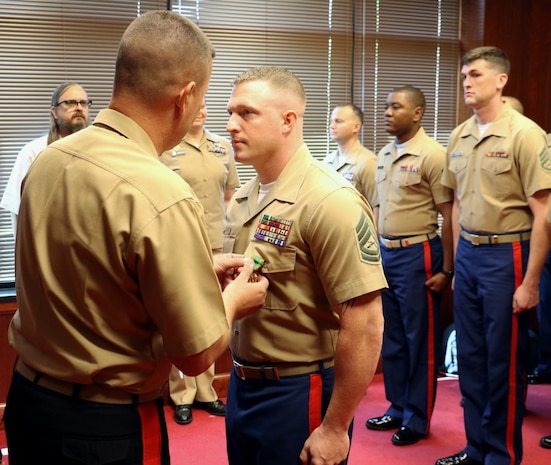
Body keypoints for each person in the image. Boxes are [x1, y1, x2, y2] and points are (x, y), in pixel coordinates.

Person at [3, 11, 268, 465]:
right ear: (185, 97)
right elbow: (196, 353)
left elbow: (90, 270)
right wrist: (234, 301)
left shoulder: (46, 160)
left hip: (29, 403)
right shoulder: (160, 191)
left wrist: (197, 272)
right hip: (102, 429)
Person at [223, 66, 387, 465]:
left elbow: (365, 324)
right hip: (242, 384)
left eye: (246, 114)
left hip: (299, 391)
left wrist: (335, 428)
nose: (230, 125)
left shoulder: (330, 200)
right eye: (230, 113)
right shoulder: (245, 198)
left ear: (288, 122)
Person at [436, 46, 551, 465]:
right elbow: (458, 205)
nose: (467, 82)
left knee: (502, 361)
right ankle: (474, 446)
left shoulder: (525, 134)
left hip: (509, 255)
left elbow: (544, 217)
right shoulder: (459, 135)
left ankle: (500, 456)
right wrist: (453, 264)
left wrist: (531, 282)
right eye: (465, 75)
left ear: (501, 80)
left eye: (477, 75)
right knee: (470, 357)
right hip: (469, 254)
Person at [365, 86, 454, 446]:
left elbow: (449, 213)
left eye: (395, 107)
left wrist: (448, 269)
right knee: (394, 338)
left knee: (420, 341)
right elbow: (376, 210)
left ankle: (417, 419)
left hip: (419, 253)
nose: (387, 111)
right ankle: (398, 406)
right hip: (386, 254)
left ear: (417, 113)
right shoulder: (385, 154)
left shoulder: (433, 154)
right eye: (386, 105)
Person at [160, 98, 240, 425]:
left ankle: (206, 392)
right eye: (197, 105)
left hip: (217, 245)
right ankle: (182, 394)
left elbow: (230, 196)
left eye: (208, 106)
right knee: (181, 319)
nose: (202, 111)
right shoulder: (166, 148)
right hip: (182, 245)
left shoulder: (222, 147)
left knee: (210, 318)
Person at [0, 82, 90, 236]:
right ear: (54, 112)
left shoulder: (97, 152)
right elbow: (18, 209)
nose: (79, 108)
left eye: (83, 103)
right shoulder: (33, 152)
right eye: (70, 103)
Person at [324, 103, 379, 220]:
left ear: (356, 127)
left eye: (338, 121)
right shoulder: (328, 161)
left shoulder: (368, 162)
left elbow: (377, 207)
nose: (332, 126)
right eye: (331, 121)